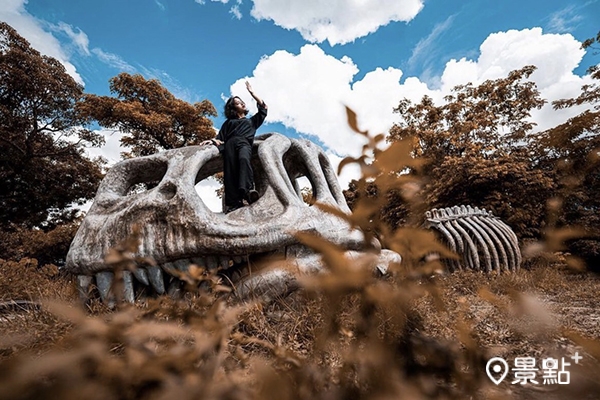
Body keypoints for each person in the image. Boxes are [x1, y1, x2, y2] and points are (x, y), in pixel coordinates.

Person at [202, 81, 268, 213]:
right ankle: (233, 203)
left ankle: (248, 191)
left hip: (244, 144)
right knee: (230, 171)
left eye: (242, 102)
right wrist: (212, 141)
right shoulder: (229, 123)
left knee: (244, 160)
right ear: (233, 108)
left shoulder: (251, 122)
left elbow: (264, 107)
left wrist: (252, 93)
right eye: (238, 103)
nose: (242, 104)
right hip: (229, 145)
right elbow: (220, 137)